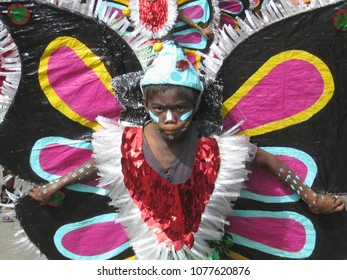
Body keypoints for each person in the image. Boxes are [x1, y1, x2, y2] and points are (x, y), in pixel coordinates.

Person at [27, 41, 345, 259]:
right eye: (159, 108)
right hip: (145, 252)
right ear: (146, 105)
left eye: (180, 108)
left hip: (205, 252)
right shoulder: (123, 144)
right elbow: (97, 164)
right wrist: (54, 186)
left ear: (195, 105)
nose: (169, 119)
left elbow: (267, 159)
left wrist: (310, 196)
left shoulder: (219, 151)